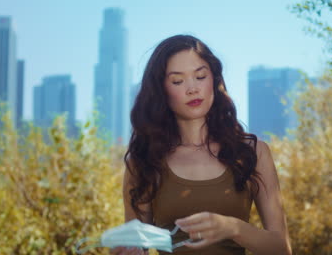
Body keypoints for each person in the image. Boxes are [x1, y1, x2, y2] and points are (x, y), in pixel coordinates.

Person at [111, 35, 291, 255]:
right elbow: (137, 245)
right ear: (161, 91)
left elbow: (281, 249)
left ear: (213, 80)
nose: (192, 89)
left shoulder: (252, 153)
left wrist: (232, 228)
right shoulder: (144, 161)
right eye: (178, 81)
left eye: (200, 76)